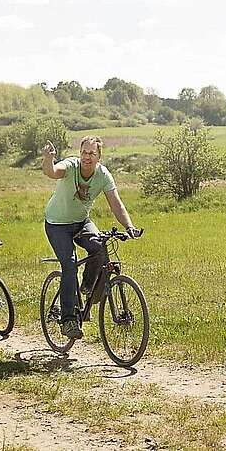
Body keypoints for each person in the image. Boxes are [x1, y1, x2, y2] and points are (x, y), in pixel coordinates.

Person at [40, 136, 141, 339]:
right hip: (57, 224)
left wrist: (129, 226)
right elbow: (52, 172)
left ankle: (87, 287)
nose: (87, 157)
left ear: (99, 156)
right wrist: (48, 159)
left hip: (81, 222)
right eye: (84, 152)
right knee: (69, 265)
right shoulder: (70, 166)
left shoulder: (103, 175)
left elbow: (116, 204)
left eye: (92, 153)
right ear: (80, 153)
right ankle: (68, 320)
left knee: (100, 248)